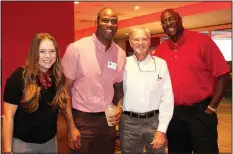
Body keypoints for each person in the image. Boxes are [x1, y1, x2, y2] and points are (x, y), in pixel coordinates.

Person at [152, 8, 230, 154]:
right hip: (174, 115)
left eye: (171, 19)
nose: (168, 23)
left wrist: (212, 107)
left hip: (201, 112)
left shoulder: (202, 41)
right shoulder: (161, 50)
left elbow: (224, 74)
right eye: (164, 21)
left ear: (180, 19)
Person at [62, 8, 126, 154]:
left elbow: (119, 86)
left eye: (114, 21)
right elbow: (64, 90)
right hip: (82, 120)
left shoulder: (120, 54)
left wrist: (120, 106)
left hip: (107, 122)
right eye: (105, 20)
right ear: (96, 22)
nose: (110, 24)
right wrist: (71, 126)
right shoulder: (76, 49)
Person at [2, 33, 69, 153]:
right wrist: (7, 150)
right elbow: (8, 116)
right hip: (23, 146)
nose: (48, 56)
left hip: (50, 144)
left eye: (52, 51)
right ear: (34, 53)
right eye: (42, 51)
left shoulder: (56, 77)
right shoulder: (19, 76)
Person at [120, 27, 174, 154]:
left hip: (154, 121)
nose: (140, 42)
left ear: (149, 41)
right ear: (130, 42)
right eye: (136, 39)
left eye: (144, 39)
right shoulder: (123, 63)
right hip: (129, 123)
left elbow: (167, 97)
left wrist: (162, 129)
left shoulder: (161, 64)